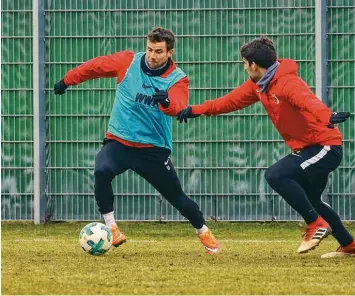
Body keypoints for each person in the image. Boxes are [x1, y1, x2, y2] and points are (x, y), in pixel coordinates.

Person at [177, 36, 354, 258]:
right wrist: (195, 110)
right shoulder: (260, 85)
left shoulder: (287, 82)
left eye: (244, 64)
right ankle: (348, 245)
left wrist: (327, 115)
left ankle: (315, 224)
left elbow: (308, 101)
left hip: (324, 146)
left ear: (253, 65)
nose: (244, 68)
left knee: (275, 175)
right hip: (308, 149)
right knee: (312, 199)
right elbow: (229, 101)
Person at [53, 27, 221, 254]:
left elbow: (179, 106)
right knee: (102, 170)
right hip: (119, 142)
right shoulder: (128, 62)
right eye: (150, 49)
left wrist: (167, 103)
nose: (152, 56)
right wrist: (67, 80)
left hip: (152, 149)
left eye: (159, 51)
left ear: (169, 53)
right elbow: (95, 66)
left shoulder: (177, 79)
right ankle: (112, 229)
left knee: (177, 198)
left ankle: (202, 230)